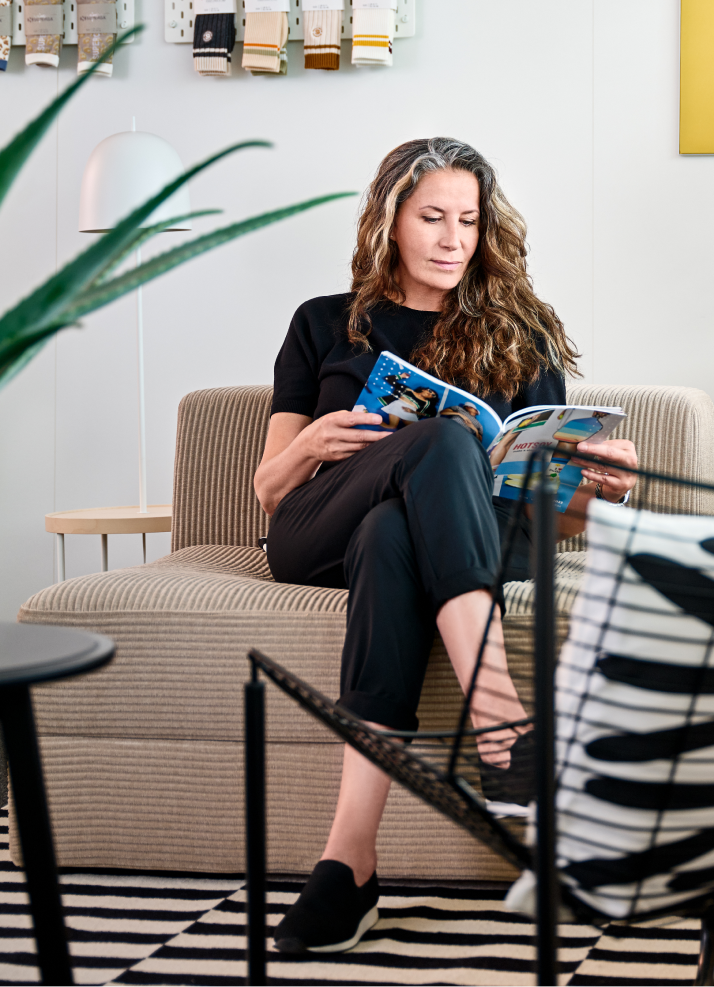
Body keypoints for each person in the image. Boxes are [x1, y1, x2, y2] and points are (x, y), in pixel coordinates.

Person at [253, 137, 637, 956]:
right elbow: (271, 491)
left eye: (468, 220)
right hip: (320, 526)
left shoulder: (522, 330)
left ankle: (347, 867)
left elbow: (551, 516)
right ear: (390, 219)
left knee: (396, 529)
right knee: (438, 442)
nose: (453, 238)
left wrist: (599, 485)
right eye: (433, 217)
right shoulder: (322, 321)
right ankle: (497, 719)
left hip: (455, 533)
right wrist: (312, 443)